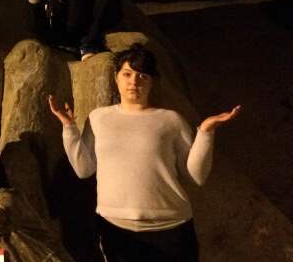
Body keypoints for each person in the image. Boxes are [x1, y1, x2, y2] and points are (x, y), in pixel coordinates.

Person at [48, 44, 241, 262]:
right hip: (116, 228)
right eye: (127, 74)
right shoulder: (98, 118)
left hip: (171, 227)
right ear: (116, 77)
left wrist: (205, 131)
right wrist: (68, 127)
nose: (134, 81)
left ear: (152, 81)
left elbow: (197, 176)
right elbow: (84, 169)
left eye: (142, 76)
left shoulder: (170, 120)